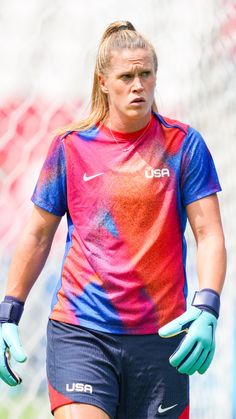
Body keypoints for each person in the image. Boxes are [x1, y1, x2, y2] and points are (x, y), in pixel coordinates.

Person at [0, 20, 226, 419]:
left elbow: (208, 234)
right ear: (104, 82)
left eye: (145, 74)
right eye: (126, 76)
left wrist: (207, 307)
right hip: (81, 331)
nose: (138, 85)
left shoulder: (183, 145)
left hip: (162, 339)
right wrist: (8, 313)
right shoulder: (70, 148)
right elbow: (36, 236)